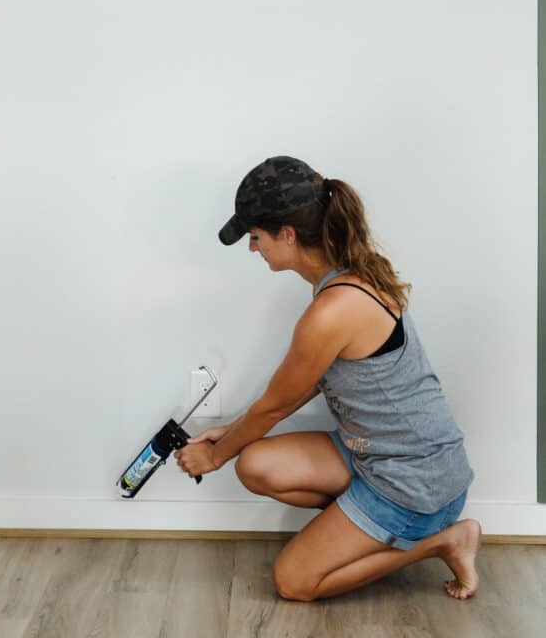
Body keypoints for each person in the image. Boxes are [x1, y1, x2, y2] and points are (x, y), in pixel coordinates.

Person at [175, 154, 482, 602]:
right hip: (379, 457)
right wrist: (231, 434)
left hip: (416, 483)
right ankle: (363, 527)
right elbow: (305, 383)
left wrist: (214, 457)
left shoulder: (332, 310)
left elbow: (276, 406)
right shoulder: (351, 274)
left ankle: (440, 541)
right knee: (255, 464)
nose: (252, 248)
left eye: (256, 236)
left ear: (287, 234)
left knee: (294, 582)